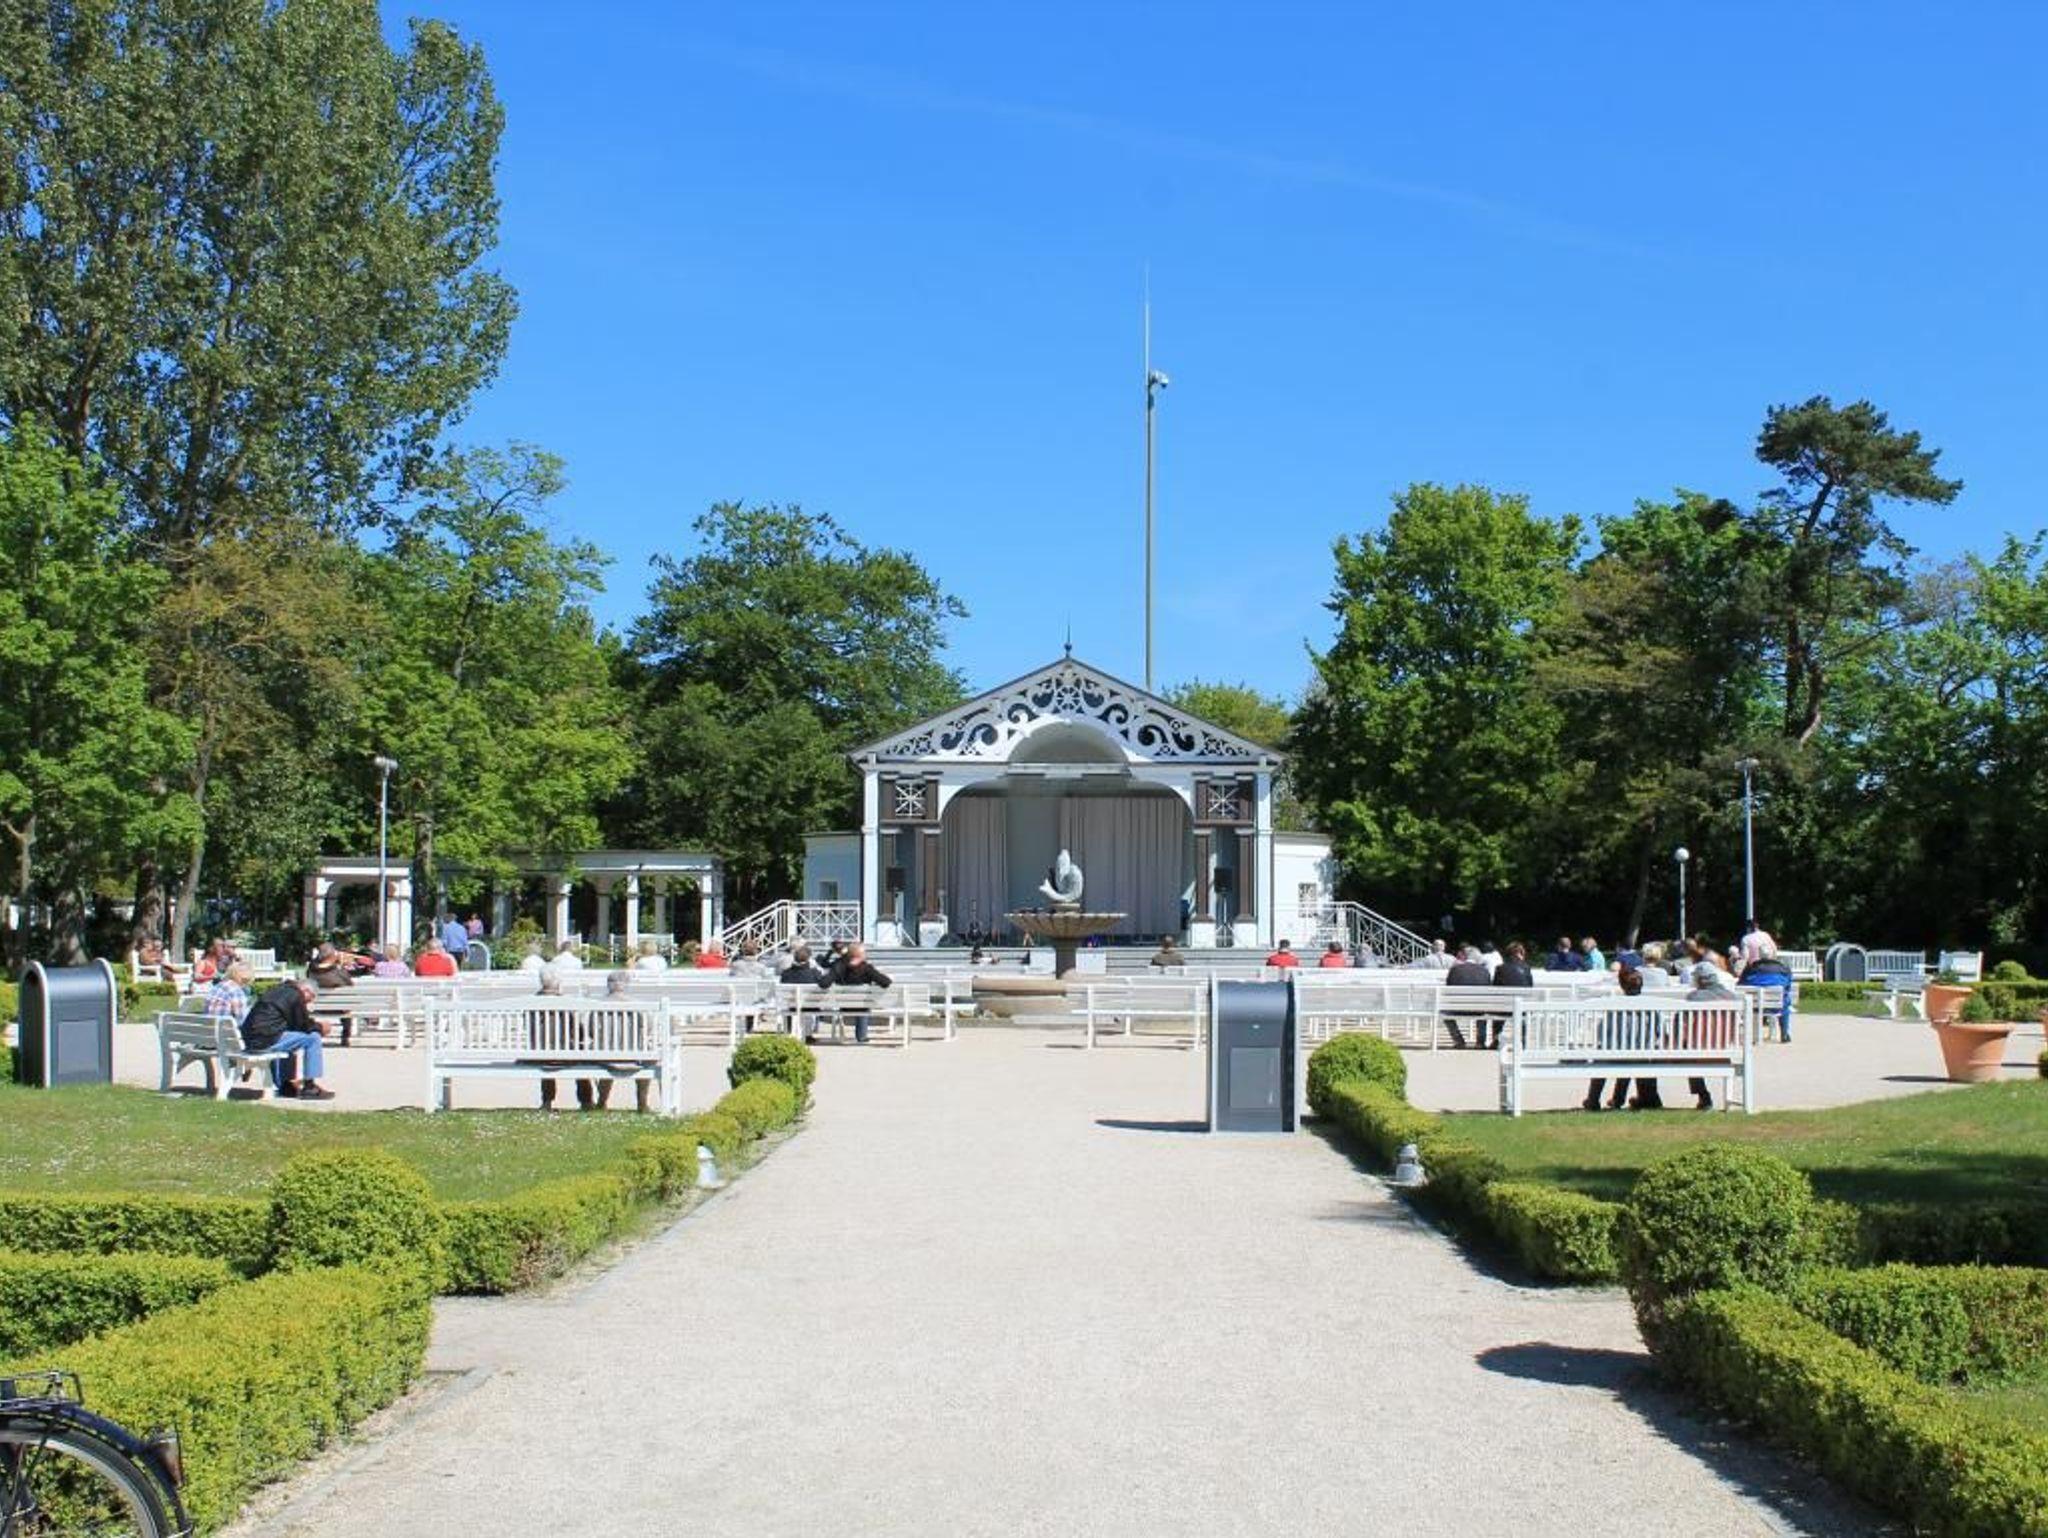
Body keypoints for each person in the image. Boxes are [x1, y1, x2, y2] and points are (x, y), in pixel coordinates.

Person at [239, 978, 333, 1099]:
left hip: (252, 1038)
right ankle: (309, 1087)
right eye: (312, 997)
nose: (309, 1002)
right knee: (313, 1038)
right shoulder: (295, 995)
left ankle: (285, 1085)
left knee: (291, 1040)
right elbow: (303, 1025)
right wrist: (320, 1027)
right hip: (266, 1039)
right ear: (306, 991)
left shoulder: (276, 990)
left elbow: (295, 1024)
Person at [1585, 966, 1649, 1111]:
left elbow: (1602, 1031)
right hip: (1640, 1052)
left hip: (1615, 1052)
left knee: (1603, 1058)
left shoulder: (1616, 1005)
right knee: (1628, 1058)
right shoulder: (1650, 1005)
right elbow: (1658, 1030)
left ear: (1622, 986)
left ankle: (1593, 1099)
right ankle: (1617, 1099)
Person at [823, 941, 892, 1044]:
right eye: (864, 952)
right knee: (863, 1005)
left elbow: (824, 983)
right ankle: (861, 1036)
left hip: (843, 1004)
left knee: (859, 1002)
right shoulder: (867, 968)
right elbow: (886, 982)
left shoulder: (839, 966)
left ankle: (861, 1035)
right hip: (862, 1005)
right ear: (860, 955)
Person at [1738, 937, 1796, 1042]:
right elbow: (1788, 985)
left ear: (1759, 955)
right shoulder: (1783, 969)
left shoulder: (1751, 969)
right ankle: (1784, 1034)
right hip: (1777, 1006)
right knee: (1785, 1004)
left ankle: (1751, 1035)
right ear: (1773, 955)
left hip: (1754, 1007)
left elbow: (1741, 984)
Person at [1443, 946, 1495, 1048]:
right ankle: (1480, 1042)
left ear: (1465, 956)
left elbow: (1448, 989)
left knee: (1444, 1013)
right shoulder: (1484, 971)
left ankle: (1459, 1041)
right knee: (1483, 1008)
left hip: (1457, 1009)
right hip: (1478, 1009)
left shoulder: (1454, 970)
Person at [205, 961, 253, 1025]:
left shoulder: (216, 987)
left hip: (210, 1027)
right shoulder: (236, 991)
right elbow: (242, 1019)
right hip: (227, 1029)